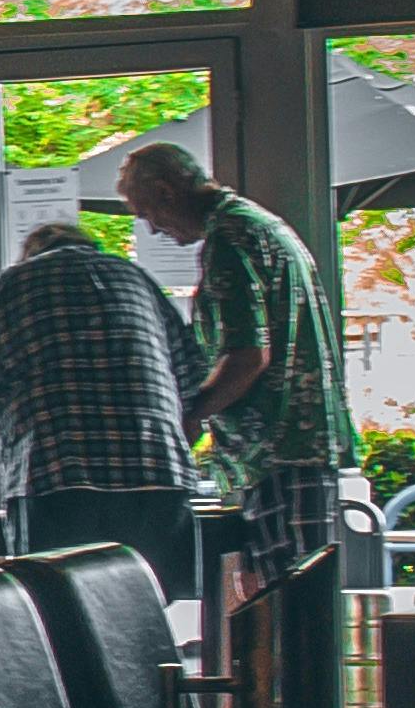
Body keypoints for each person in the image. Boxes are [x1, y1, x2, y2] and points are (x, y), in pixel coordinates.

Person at [114, 140, 355, 573]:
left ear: (168, 193)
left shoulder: (229, 241)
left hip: (276, 451)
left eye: (145, 211)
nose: (150, 229)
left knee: (288, 600)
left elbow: (247, 357)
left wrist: (191, 413)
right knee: (302, 597)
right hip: (298, 446)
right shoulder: (261, 225)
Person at [0, 211, 197, 583]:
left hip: (54, 477)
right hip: (156, 475)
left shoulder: (3, 288)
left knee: (61, 610)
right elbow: (193, 377)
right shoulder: (138, 280)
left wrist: (18, 420)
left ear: (30, 254)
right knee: (148, 608)